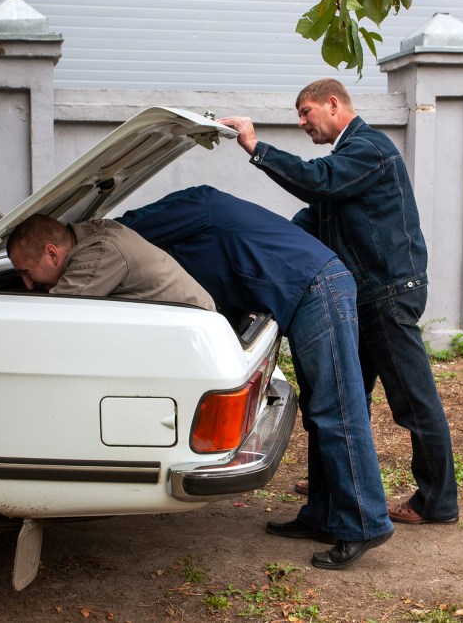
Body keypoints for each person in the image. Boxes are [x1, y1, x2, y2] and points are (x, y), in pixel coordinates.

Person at [219, 78, 459, 525]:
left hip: (387, 294)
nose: (301, 121)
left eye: (306, 111)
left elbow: (319, 183)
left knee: (413, 400)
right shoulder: (349, 160)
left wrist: (256, 147)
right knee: (343, 401)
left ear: (333, 104)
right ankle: (333, 489)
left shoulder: (369, 149)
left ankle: (438, 501)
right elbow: (313, 217)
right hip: (364, 295)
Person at [118, 185, 394, 569]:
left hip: (318, 288)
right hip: (310, 291)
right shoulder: (197, 226)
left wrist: (102, 231)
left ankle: (366, 521)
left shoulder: (192, 207)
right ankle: (325, 517)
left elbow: (126, 234)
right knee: (321, 413)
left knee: (337, 410)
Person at [5, 213, 215, 311]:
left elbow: (56, 314)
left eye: (26, 271)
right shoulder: (89, 233)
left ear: (51, 253)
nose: (28, 284)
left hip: (194, 334)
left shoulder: (100, 253)